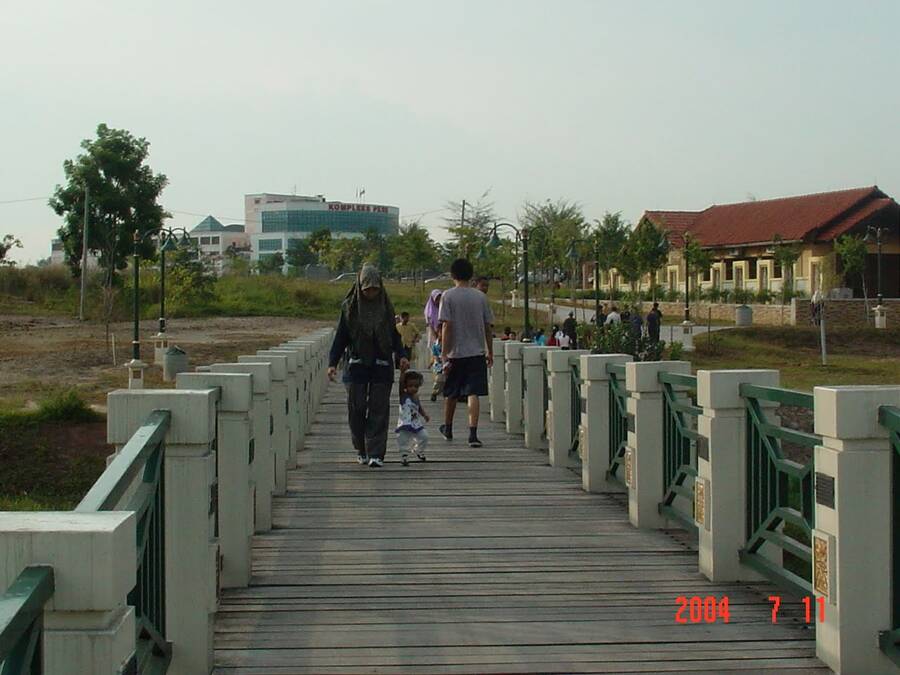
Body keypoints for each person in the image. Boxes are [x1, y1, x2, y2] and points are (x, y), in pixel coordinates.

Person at [327, 264, 408, 468]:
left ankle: (376, 453)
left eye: (375, 289)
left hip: (381, 365)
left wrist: (402, 355)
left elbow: (394, 336)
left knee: (379, 408)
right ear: (360, 287)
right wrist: (332, 363)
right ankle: (361, 448)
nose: (371, 293)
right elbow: (341, 337)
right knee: (357, 407)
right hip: (356, 365)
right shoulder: (349, 308)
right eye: (367, 289)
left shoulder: (386, 308)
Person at [438, 258, 494, 448]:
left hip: (456, 352)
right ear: (471, 275)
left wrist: (444, 353)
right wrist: (490, 350)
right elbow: (488, 326)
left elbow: (447, 325)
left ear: (452, 275)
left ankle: (448, 427)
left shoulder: (448, 296)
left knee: (451, 393)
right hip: (476, 352)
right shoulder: (480, 297)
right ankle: (473, 433)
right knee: (473, 393)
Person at [396, 370, 429, 466]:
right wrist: (402, 372)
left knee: (424, 436)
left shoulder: (416, 396)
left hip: (416, 423)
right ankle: (404, 455)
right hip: (405, 423)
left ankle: (419, 450)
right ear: (406, 386)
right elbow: (401, 383)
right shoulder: (403, 395)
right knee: (403, 439)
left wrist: (424, 415)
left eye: (416, 386)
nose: (413, 388)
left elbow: (419, 407)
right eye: (410, 386)